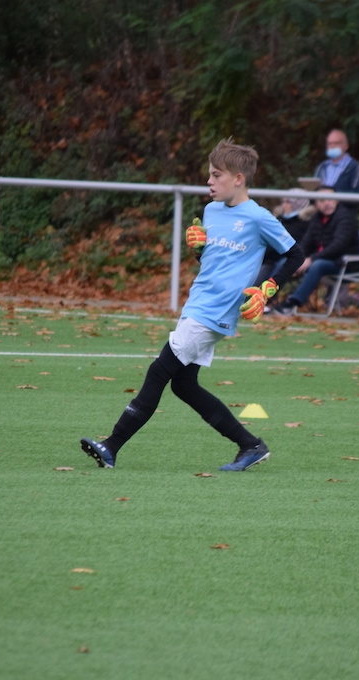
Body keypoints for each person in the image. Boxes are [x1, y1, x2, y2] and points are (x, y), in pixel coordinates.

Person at [79, 139, 304, 472]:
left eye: (216, 175)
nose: (209, 181)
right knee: (184, 385)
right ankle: (250, 445)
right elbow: (216, 262)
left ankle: (111, 446)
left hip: (215, 311)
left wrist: (267, 289)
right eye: (209, 175)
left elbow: (295, 254)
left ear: (238, 179)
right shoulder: (212, 211)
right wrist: (200, 251)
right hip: (197, 303)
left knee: (159, 371)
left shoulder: (258, 217)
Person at [270, 187, 359, 316]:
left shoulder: (346, 218)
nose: (327, 203)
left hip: (344, 263)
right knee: (286, 262)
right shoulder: (316, 218)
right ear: (316, 203)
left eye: (331, 199)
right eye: (322, 200)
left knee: (317, 265)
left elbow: (338, 247)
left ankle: (291, 303)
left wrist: (311, 259)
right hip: (320, 260)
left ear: (337, 201)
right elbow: (306, 243)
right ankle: (265, 298)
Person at [254, 189, 314, 285]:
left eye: (288, 202)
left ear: (297, 204)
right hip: (269, 257)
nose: (284, 205)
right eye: (283, 201)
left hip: (281, 258)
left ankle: (267, 293)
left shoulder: (303, 223)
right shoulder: (280, 218)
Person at [313, 129, 359, 209]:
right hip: (319, 211)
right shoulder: (321, 167)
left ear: (346, 146)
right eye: (330, 144)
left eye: (336, 143)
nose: (332, 146)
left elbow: (358, 195)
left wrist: (333, 194)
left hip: (343, 211)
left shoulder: (354, 167)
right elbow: (313, 191)